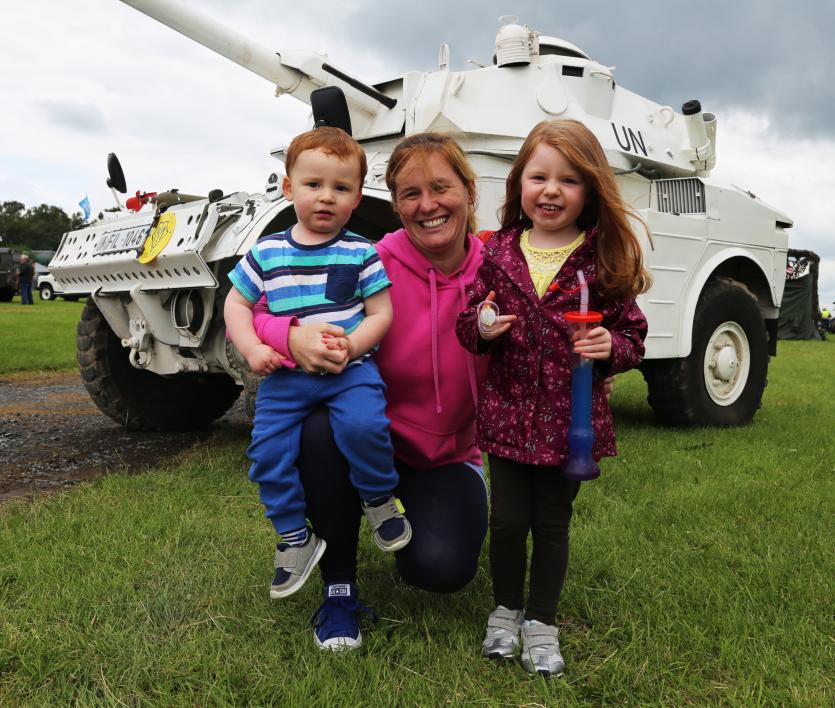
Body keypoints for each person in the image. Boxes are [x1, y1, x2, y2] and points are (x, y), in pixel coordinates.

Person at [252, 132, 490, 650]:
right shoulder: (369, 259)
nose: (427, 205)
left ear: (470, 191)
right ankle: (339, 590)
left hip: (447, 456)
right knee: (319, 426)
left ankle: (422, 516)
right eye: (409, 193)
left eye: (441, 188)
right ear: (393, 203)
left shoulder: (499, 268)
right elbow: (262, 305)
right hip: (369, 435)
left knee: (440, 568)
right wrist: (289, 336)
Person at [455, 119, 649, 678]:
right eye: (539, 176)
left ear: (589, 190)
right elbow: (470, 321)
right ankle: (505, 613)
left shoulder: (600, 259)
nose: (551, 190)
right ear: (520, 184)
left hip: (572, 424)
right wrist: (484, 326)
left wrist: (610, 344)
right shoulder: (497, 254)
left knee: (553, 524)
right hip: (509, 418)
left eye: (568, 179)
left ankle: (542, 623)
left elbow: (633, 335)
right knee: (509, 522)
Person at [224, 127, 411, 602]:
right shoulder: (266, 253)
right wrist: (251, 349)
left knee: (365, 429)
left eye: (341, 188)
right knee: (266, 455)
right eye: (313, 184)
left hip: (350, 374)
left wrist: (352, 345)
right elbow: (236, 306)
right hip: (286, 378)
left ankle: (379, 499)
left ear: (355, 199)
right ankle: (294, 537)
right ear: (289, 189)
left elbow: (382, 313)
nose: (326, 197)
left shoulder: (361, 252)